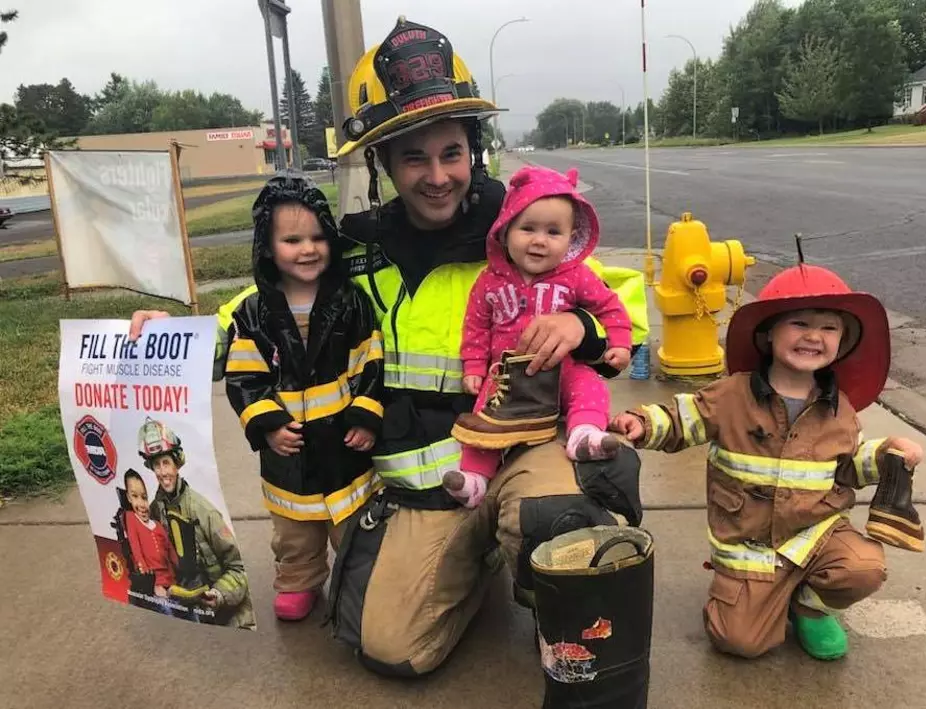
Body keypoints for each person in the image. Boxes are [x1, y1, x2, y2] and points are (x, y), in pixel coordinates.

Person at [128, 17, 651, 702]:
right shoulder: (352, 251)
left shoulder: (520, 229)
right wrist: (177, 335)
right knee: (389, 647)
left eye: (452, 152)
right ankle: (484, 546)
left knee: (556, 519)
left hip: (524, 446)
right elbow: (268, 310)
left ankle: (538, 557)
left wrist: (577, 323)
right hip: (432, 483)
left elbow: (625, 309)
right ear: (382, 164)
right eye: (413, 157)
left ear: (474, 151)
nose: (437, 176)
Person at [610, 263, 924, 661]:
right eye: (799, 323)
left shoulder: (839, 407)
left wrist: (886, 454)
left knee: (863, 568)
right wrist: (640, 422)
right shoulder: (731, 394)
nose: (813, 336)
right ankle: (755, 596)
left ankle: (808, 604)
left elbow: (848, 466)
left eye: (829, 328)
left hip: (815, 536)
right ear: (767, 334)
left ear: (842, 342)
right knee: (739, 642)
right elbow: (681, 418)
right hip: (751, 546)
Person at [223, 171, 383, 622]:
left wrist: (365, 416)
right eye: (292, 240)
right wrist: (269, 425)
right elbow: (244, 376)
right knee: (293, 529)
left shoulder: (349, 302)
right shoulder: (253, 313)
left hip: (342, 443)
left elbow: (370, 360)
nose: (308, 249)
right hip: (287, 448)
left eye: (317, 237)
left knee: (351, 524)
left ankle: (356, 580)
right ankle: (299, 580)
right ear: (268, 248)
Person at [443, 165, 633, 509]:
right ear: (504, 231)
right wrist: (473, 365)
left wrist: (618, 342)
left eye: (553, 232)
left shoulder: (577, 276)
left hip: (563, 369)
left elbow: (610, 307)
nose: (539, 240)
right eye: (527, 228)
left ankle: (584, 435)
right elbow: (475, 327)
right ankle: (473, 479)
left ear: (570, 237)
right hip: (505, 374)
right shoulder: (489, 281)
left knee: (589, 387)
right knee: (485, 419)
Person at [138, 417, 256, 629]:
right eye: (156, 464)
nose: (163, 472)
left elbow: (239, 568)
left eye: (166, 463)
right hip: (189, 612)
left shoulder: (204, 511)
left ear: (177, 463)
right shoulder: (156, 510)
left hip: (230, 616)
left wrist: (218, 595)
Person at [122, 469, 178, 601]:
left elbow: (170, 551)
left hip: (169, 578)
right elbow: (136, 550)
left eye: (144, 497)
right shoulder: (131, 518)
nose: (141, 504)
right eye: (135, 496)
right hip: (152, 579)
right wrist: (149, 581)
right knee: (166, 605)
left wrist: (181, 571)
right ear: (129, 497)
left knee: (186, 602)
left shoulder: (157, 525)